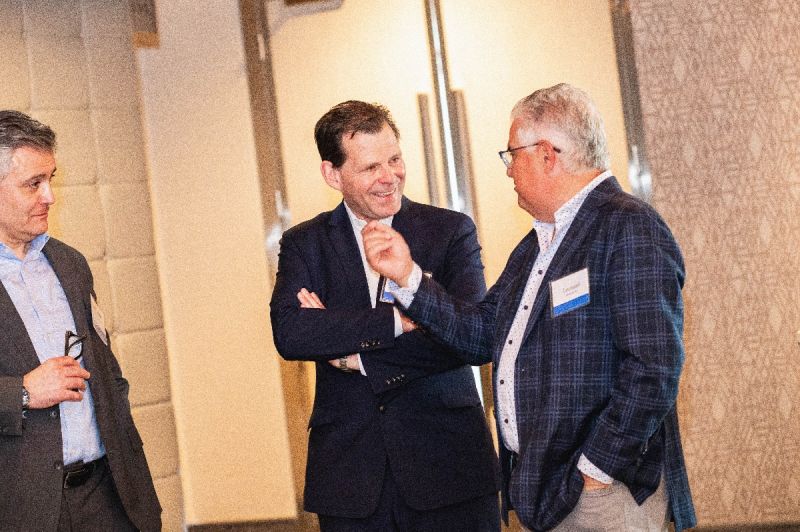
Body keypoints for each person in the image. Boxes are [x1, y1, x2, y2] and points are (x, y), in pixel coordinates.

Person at [363, 84, 697, 532]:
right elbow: (482, 334)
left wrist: (596, 469)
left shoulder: (627, 225)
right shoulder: (537, 245)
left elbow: (654, 366)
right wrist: (408, 278)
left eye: (512, 155)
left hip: (602, 495)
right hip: (547, 491)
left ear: (546, 154)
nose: (508, 170)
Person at [270, 100, 500, 531]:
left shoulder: (450, 231)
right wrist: (397, 322)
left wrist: (352, 356)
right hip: (351, 477)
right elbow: (292, 333)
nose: (389, 177)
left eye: (394, 160)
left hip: (449, 468)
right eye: (371, 167)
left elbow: (473, 337)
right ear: (332, 174)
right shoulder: (306, 243)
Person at [0, 111, 161, 531]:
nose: (50, 196)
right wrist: (21, 393)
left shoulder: (69, 263)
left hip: (108, 497)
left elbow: (108, 373)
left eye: (50, 179)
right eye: (33, 183)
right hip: (21, 508)